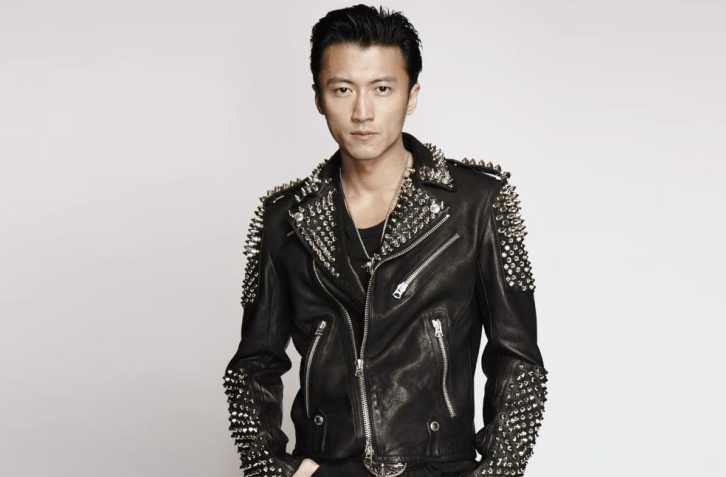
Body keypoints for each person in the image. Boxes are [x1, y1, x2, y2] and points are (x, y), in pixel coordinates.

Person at [222, 4, 548, 477]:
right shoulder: (285, 219)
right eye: (342, 89)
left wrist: (498, 471)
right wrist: (273, 469)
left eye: (382, 89)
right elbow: (253, 365)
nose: (362, 112)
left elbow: (518, 361)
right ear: (318, 98)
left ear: (411, 96)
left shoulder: (477, 205)